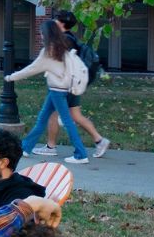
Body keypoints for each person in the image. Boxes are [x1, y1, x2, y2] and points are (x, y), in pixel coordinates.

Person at [7, 20, 91, 164]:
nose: (40, 35)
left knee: (66, 121)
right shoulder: (62, 47)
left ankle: (81, 154)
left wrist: (11, 77)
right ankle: (26, 147)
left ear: (46, 34)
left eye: (41, 32)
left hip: (57, 91)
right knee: (42, 119)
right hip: (60, 90)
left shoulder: (48, 52)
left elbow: (31, 69)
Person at [37, 12, 112, 158]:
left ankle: (51, 146)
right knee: (76, 115)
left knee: (53, 113)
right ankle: (99, 140)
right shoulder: (70, 38)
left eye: (55, 21)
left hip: (64, 84)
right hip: (74, 83)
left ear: (60, 23)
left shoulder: (64, 40)